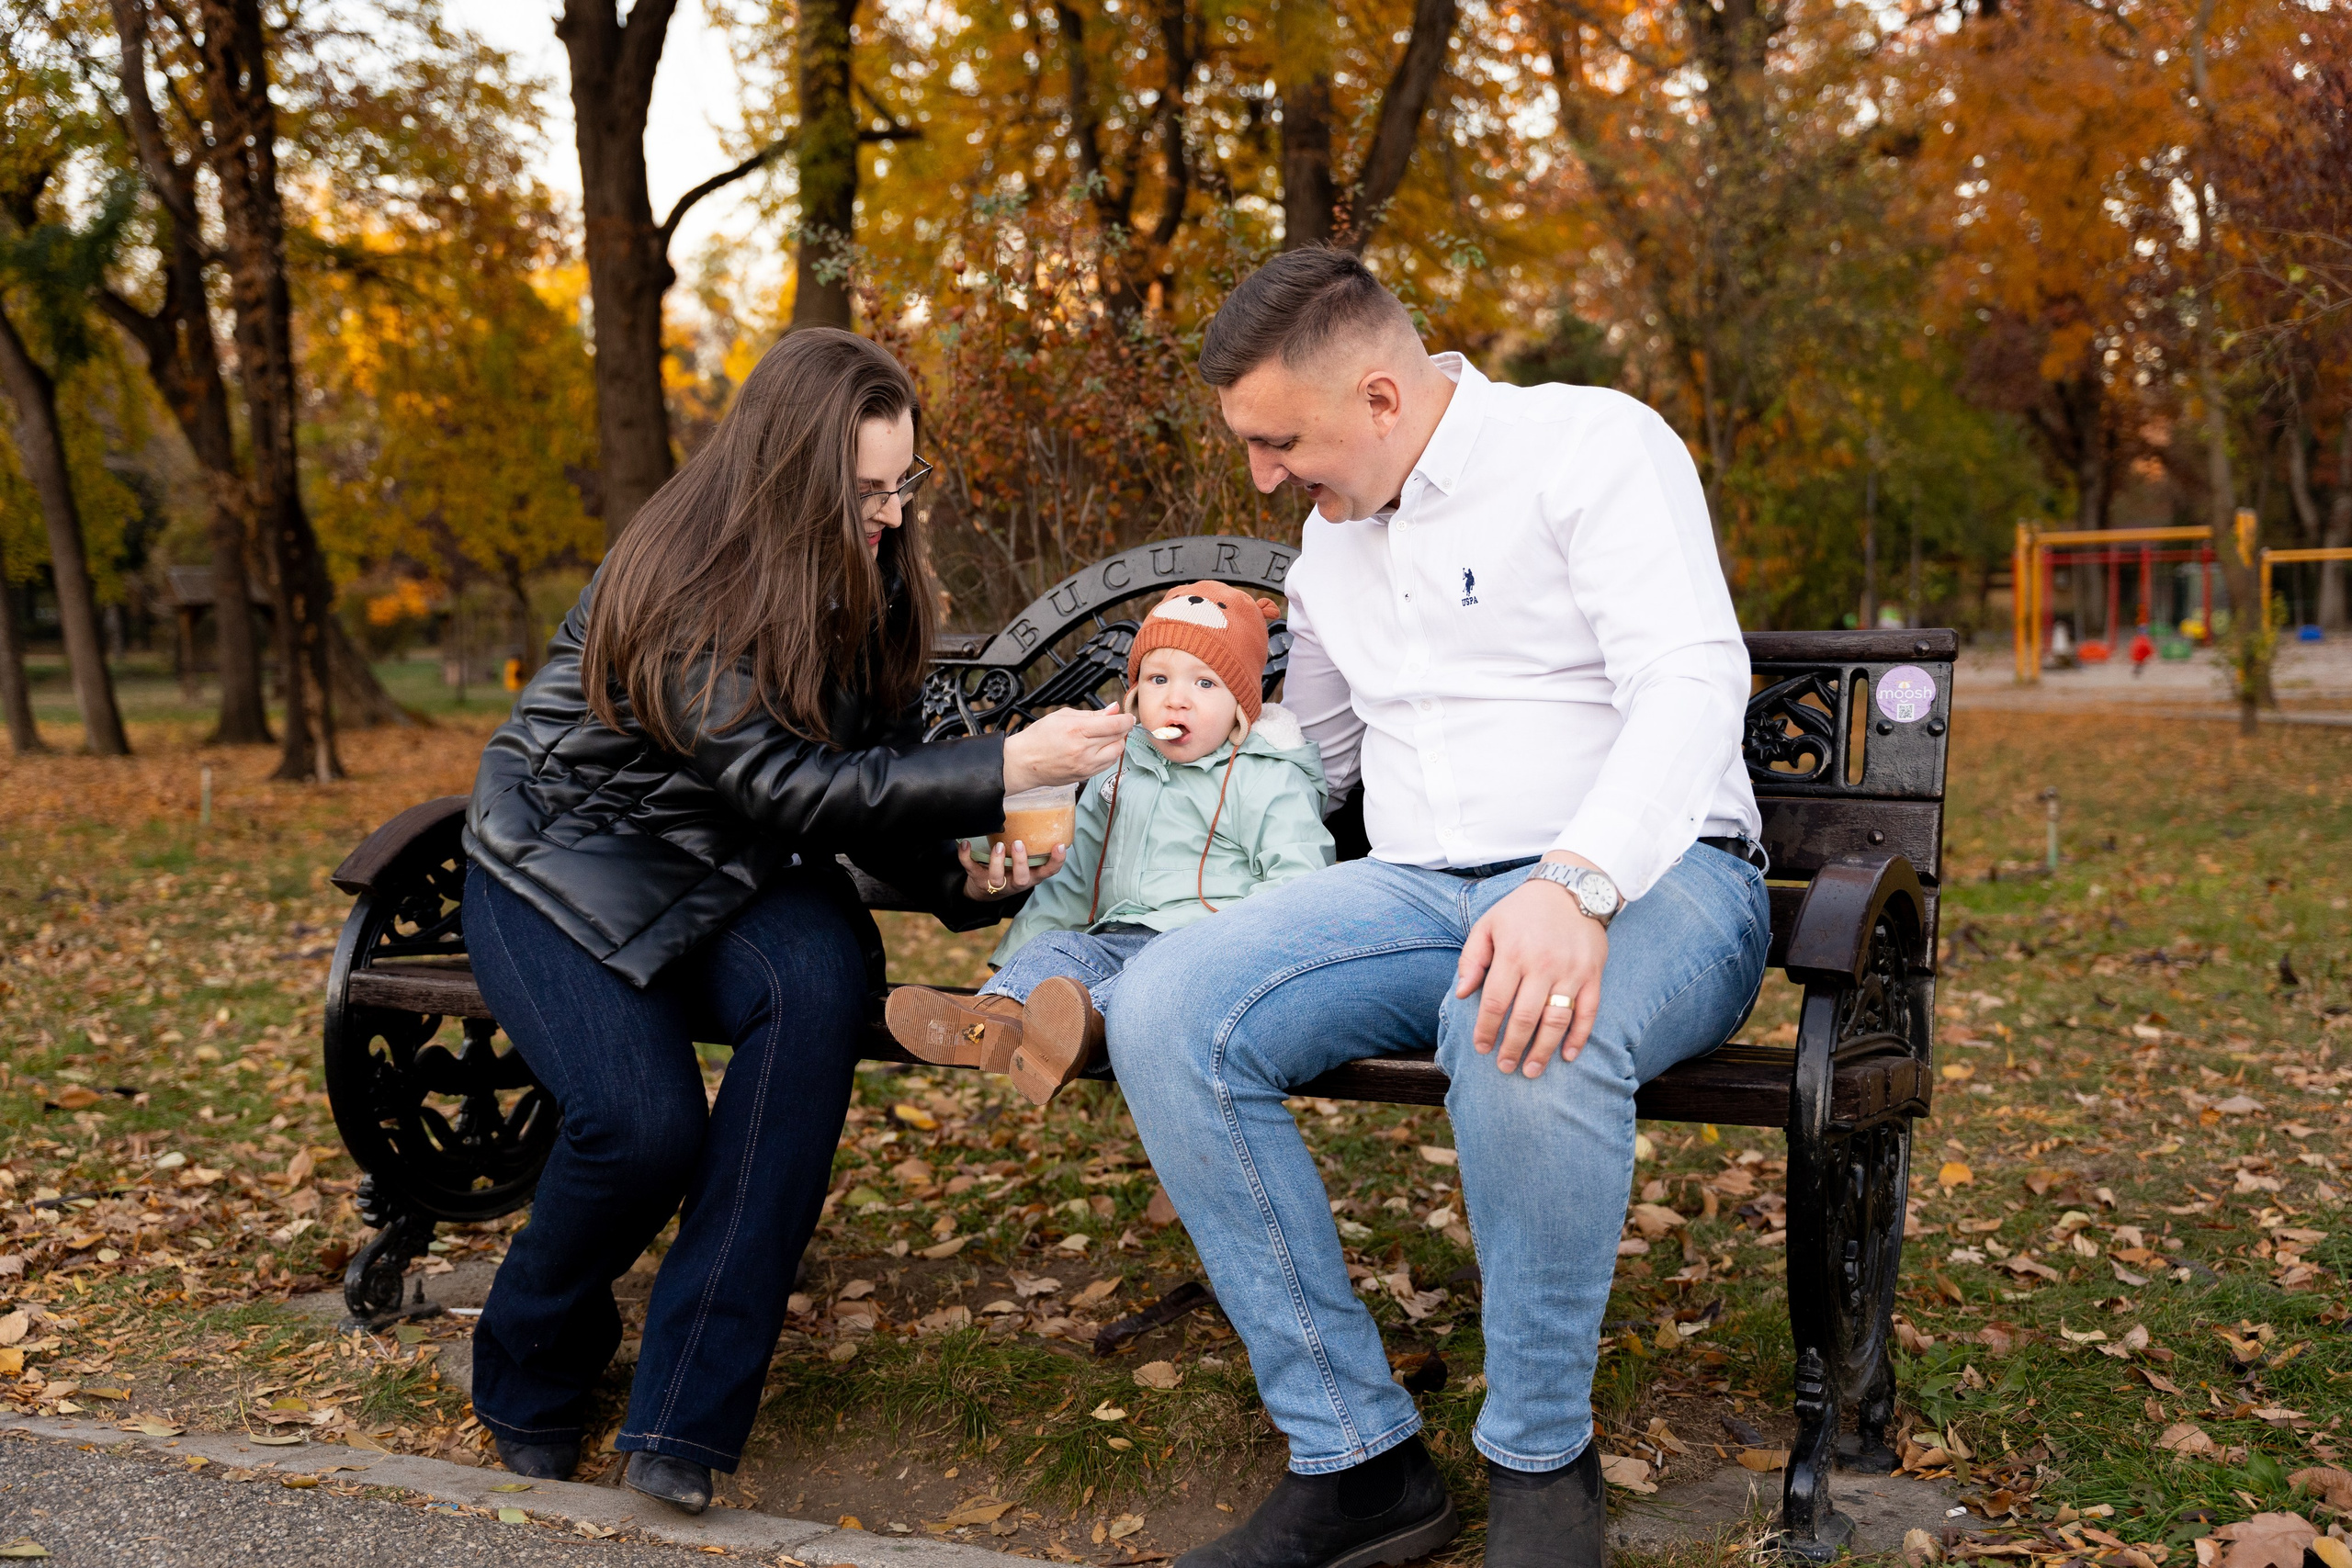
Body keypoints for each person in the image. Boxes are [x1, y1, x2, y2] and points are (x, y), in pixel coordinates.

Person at [1107, 249, 1770, 1568]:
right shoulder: (1331, 547)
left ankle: (1537, 1459)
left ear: (1382, 397)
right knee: (1169, 1004)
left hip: (1660, 875)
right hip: (1420, 887)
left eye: (1278, 440)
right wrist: (1154, 780)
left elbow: (1693, 680)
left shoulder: (1592, 447)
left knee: (1518, 1021)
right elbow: (1329, 761)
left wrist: (1575, 884)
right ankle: (1357, 1458)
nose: (1263, 475)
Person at [459, 329, 1130, 1513]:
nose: (889, 514)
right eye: (864, 491)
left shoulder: (864, 574)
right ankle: (528, 1362)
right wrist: (1009, 756)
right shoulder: (678, 573)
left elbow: (861, 770)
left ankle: (683, 1419)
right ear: (786, 476)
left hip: (736, 868)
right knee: (640, 1126)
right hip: (565, 864)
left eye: (901, 485)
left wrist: (961, 877)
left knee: (820, 990)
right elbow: (782, 783)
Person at [886, 581, 1335, 1103]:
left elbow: (1297, 886)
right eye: (1158, 678)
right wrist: (1023, 953)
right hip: (1113, 939)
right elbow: (1075, 876)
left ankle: (1075, 1032)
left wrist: (1233, 949)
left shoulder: (1266, 778)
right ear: (1136, 691)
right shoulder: (1117, 773)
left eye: (1205, 684)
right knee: (1059, 949)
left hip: (1203, 954)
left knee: (1132, 990)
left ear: (1242, 705)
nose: (1176, 699)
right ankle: (994, 1020)